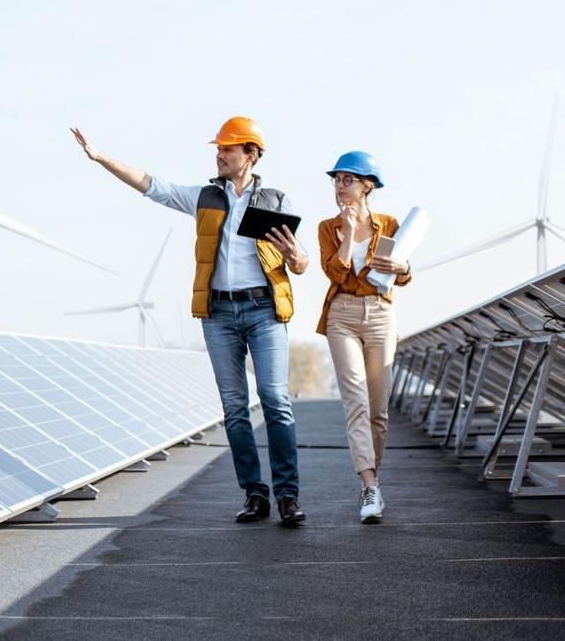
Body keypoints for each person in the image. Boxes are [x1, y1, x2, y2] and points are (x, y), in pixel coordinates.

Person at [71, 117, 310, 526]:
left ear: (250, 155)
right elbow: (153, 185)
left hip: (264, 311)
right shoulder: (205, 198)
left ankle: (288, 496)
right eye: (218, 149)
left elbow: (301, 262)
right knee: (235, 407)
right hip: (218, 314)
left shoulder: (275, 200)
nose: (219, 155)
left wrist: (295, 258)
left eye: (227, 149)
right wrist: (100, 158)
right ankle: (255, 494)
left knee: (275, 400)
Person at [315, 151, 411, 524]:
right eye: (337, 180)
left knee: (378, 410)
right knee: (354, 399)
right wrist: (350, 232)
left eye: (347, 179)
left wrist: (403, 267)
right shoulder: (328, 227)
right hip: (342, 314)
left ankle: (374, 478)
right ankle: (369, 485)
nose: (340, 186)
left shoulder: (389, 223)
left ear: (368, 185)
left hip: (381, 314)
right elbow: (336, 275)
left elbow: (402, 276)